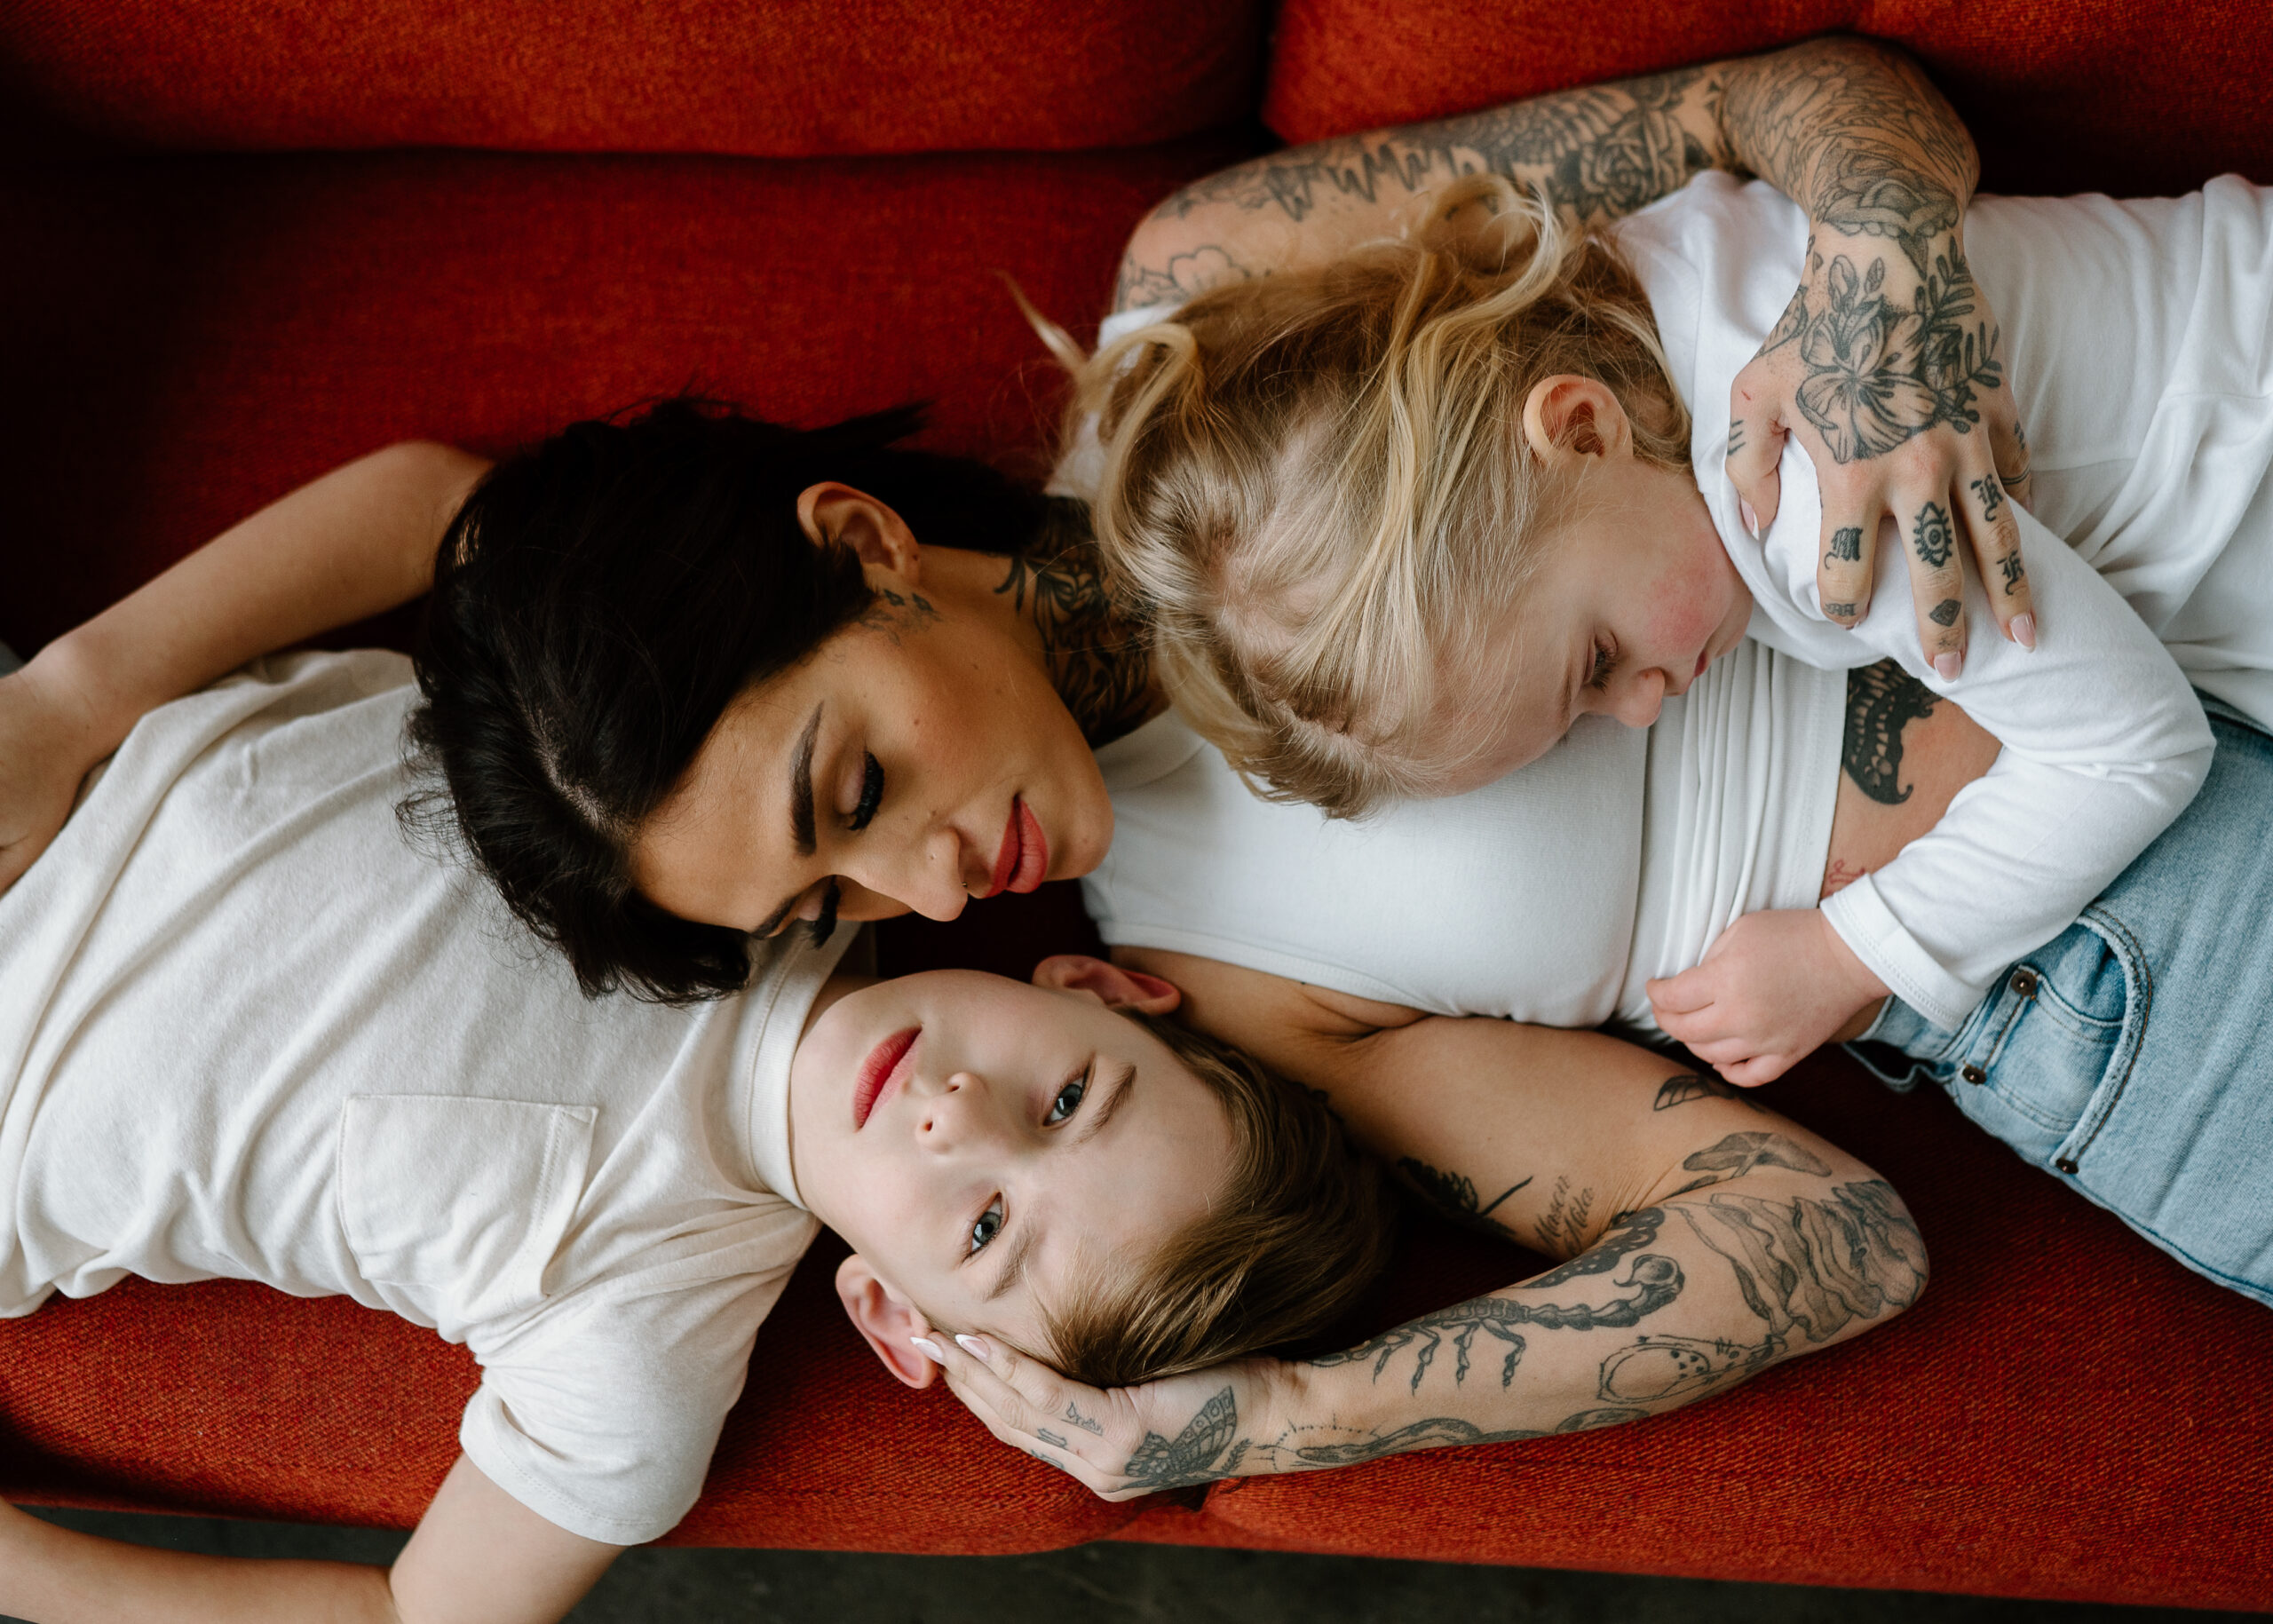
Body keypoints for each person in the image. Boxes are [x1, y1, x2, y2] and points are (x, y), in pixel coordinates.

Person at [0, 38, 1984, 1516]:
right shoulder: (1202, 992)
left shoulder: (1205, 300)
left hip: (2089, 434)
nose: (940, 893)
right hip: (2086, 929)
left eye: (852, 792)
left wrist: (76, 695)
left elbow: (1798, 101)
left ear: (861, 546)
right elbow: (1805, 1228)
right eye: (839, 909)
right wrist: (1282, 1419)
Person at [0, 646, 1921, 1619]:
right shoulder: (805, 815)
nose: (948, 1110)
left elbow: (434, 1619)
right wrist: (76, 685)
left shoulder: (636, 1331)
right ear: (1100, 994)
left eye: (982, 1226)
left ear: (898, 1326)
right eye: (1065, 1096)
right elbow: (448, 508)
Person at [1072, 168, 2273, 1082]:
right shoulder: (1661, 283)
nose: (1647, 705)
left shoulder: (1814, 493)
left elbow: (2133, 748)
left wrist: (1855, 952)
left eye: (1595, 663)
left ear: (1579, 429)